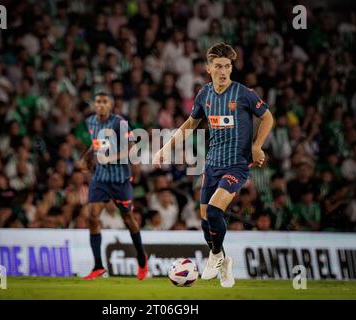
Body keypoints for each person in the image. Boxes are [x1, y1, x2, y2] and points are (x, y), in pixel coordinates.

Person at [153, 43, 273, 287]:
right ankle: (224, 259)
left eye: (227, 66)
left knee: (216, 210)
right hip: (212, 165)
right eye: (218, 66)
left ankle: (216, 256)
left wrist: (257, 145)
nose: (223, 71)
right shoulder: (204, 95)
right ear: (208, 69)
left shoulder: (243, 93)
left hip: (237, 165)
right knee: (205, 220)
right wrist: (166, 148)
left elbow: (267, 117)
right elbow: (190, 124)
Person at [76, 92, 148, 280]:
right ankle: (98, 266)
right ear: (94, 104)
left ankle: (141, 257)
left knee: (128, 219)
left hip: (120, 180)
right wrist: (87, 157)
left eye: (104, 102)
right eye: (97, 101)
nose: (100, 105)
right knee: (92, 216)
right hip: (100, 178)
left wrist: (111, 157)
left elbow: (132, 149)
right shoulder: (90, 122)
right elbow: (96, 144)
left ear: (111, 105)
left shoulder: (119, 123)